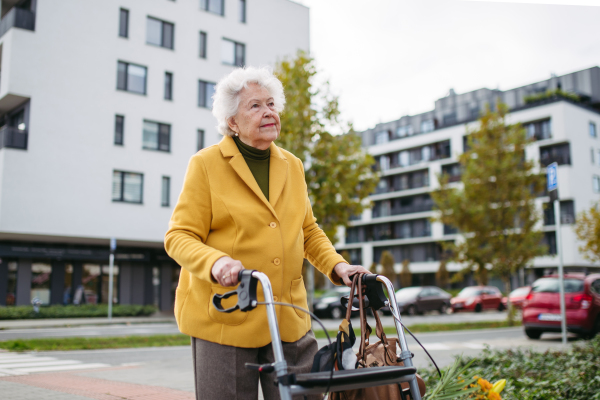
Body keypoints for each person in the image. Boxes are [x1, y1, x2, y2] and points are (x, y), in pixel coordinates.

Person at [164, 66, 370, 400]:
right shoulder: (206, 164)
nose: (269, 112)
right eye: (255, 106)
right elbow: (179, 236)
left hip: (288, 314)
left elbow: (307, 230)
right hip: (226, 314)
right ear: (233, 122)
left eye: (272, 104)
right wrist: (216, 262)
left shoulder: (293, 165)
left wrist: (338, 267)